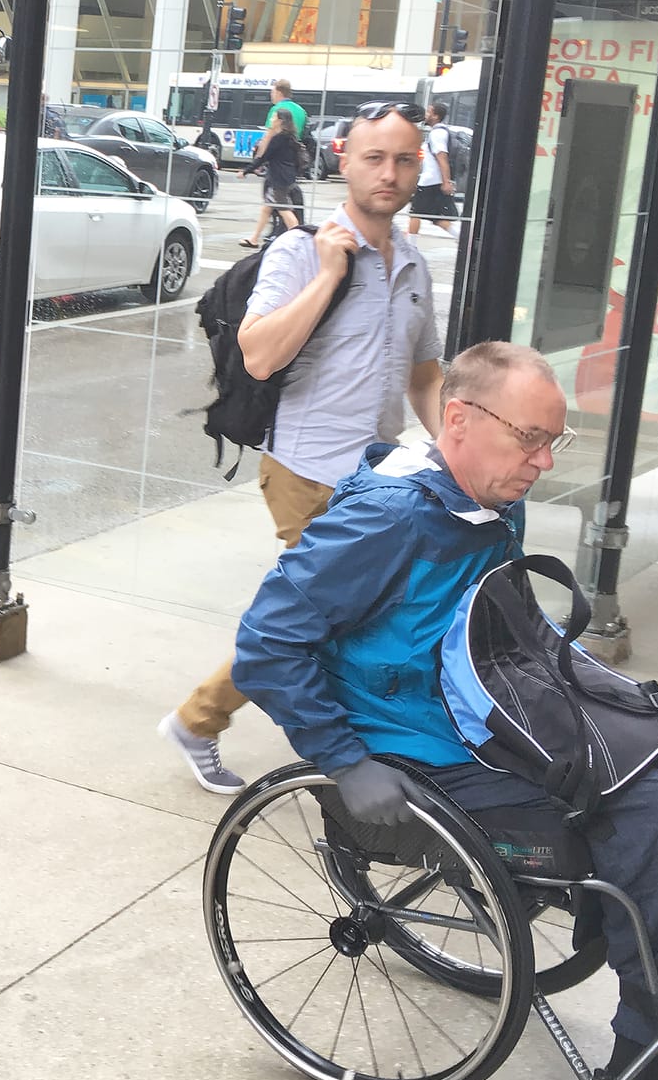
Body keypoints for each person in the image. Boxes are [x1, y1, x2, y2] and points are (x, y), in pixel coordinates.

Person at [229, 341, 658, 1080]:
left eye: (551, 441)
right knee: (647, 816)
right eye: (526, 437)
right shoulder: (386, 519)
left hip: (483, 717)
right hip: (412, 757)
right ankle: (651, 1058)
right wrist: (342, 759)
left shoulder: (488, 499)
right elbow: (265, 645)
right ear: (457, 419)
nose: (539, 461)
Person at [159, 101, 444, 793]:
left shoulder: (411, 264)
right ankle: (213, 723)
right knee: (315, 625)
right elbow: (258, 356)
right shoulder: (298, 250)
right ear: (345, 159)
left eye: (405, 160)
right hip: (306, 472)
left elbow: (424, 373)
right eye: (375, 158)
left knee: (329, 621)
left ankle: (206, 721)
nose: (390, 173)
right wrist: (326, 276)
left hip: (377, 476)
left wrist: (454, 448)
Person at [239, 113, 304, 247]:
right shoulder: (291, 138)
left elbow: (263, 157)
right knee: (266, 209)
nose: (271, 120)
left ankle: (300, 241)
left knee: (285, 211)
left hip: (279, 180)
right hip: (287, 178)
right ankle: (254, 239)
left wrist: (246, 171)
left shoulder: (278, 139)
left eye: (274, 118)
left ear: (280, 121)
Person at [407, 102, 460, 237]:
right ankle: (462, 237)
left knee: (415, 213)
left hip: (430, 181)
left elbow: (442, 158)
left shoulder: (437, 134)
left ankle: (410, 247)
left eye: (429, 112)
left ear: (436, 116)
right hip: (433, 180)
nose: (426, 115)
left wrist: (446, 181)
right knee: (436, 218)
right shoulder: (439, 132)